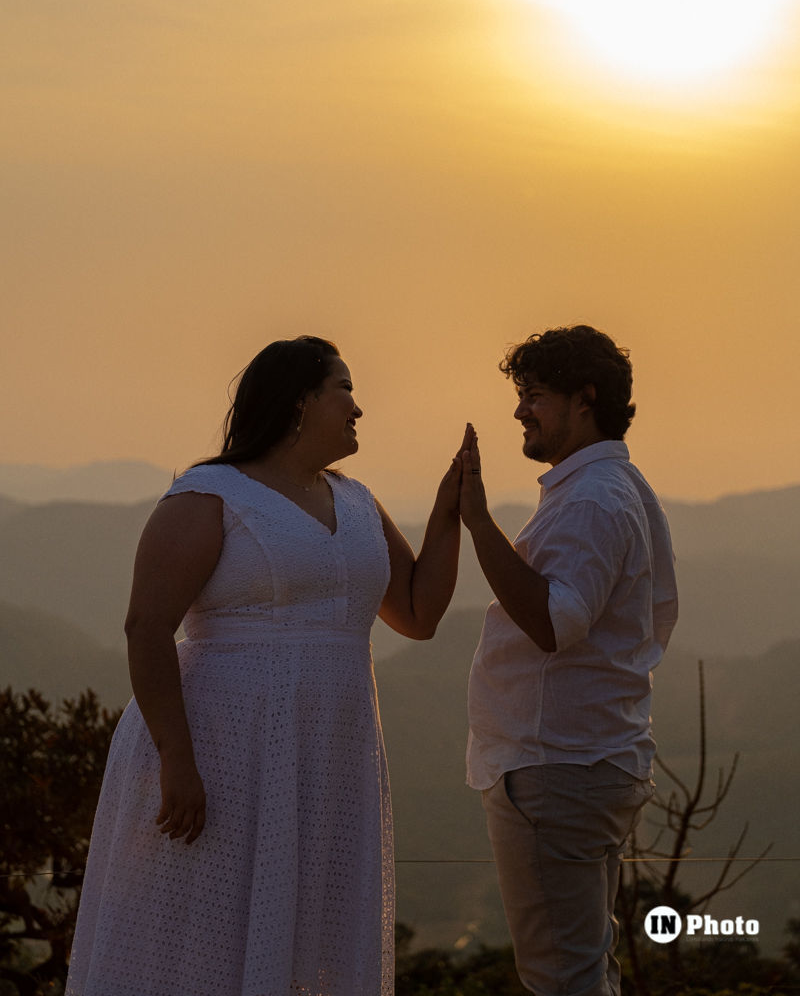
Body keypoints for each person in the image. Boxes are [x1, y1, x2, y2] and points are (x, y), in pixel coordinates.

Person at [66, 336, 465, 996]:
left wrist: (450, 513)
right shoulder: (210, 495)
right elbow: (147, 628)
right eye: (345, 389)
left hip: (328, 754)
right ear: (300, 402)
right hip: (223, 748)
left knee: (307, 933)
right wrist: (176, 759)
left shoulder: (357, 502)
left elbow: (418, 613)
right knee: (203, 929)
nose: (358, 407)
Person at [458, 325, 678, 996]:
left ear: (584, 399)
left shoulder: (592, 499)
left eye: (535, 395)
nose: (520, 410)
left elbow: (556, 622)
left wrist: (478, 521)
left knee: (561, 978)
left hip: (557, 766)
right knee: (585, 968)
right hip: (587, 760)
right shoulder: (617, 487)